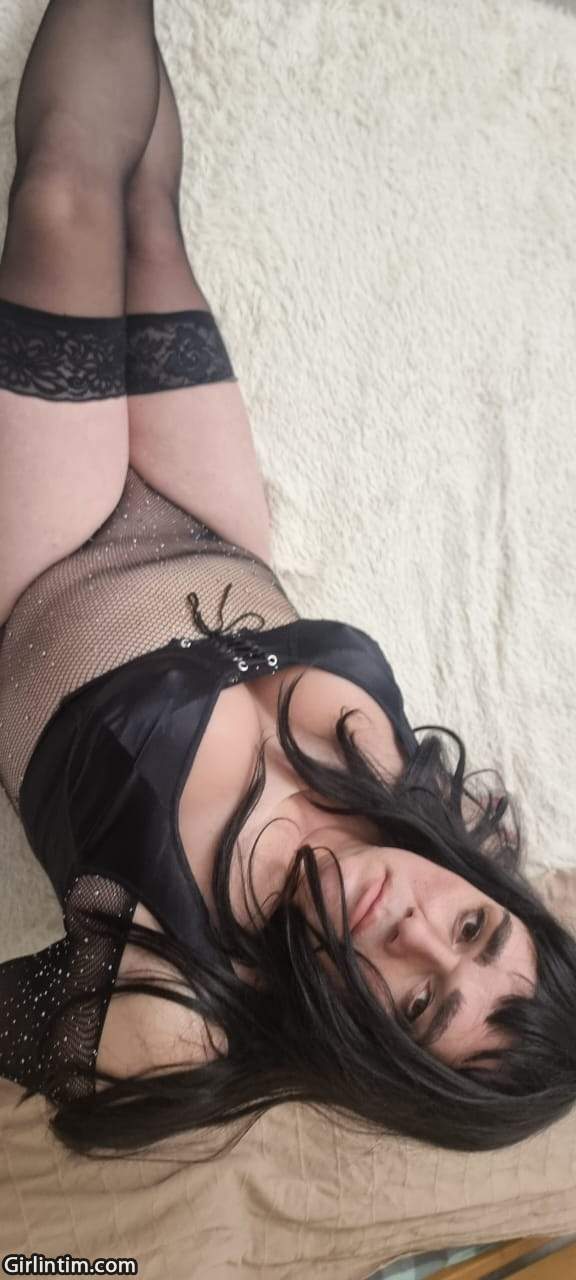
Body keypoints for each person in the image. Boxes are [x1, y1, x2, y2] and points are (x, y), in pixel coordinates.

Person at [0, 0, 574, 1165]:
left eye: (420, 1000)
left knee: (66, 199)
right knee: (148, 221)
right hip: (215, 527)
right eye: (473, 927)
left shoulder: (185, 1005)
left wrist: (115, 1014)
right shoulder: (442, 822)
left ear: (373, 1057)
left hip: (43, 560)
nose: (416, 924)